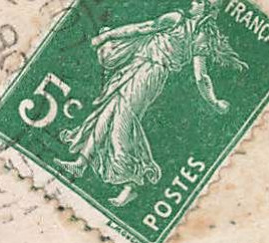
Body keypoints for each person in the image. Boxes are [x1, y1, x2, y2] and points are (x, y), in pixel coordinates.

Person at [53, 0, 246, 206]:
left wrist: (214, 101)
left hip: (151, 74)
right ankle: (81, 163)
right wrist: (106, 36)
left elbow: (201, 76)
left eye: (200, 1)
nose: (193, 2)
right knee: (107, 111)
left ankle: (133, 181)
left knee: (122, 123)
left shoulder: (197, 34)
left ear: (207, 8)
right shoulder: (179, 20)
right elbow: (141, 29)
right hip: (138, 66)